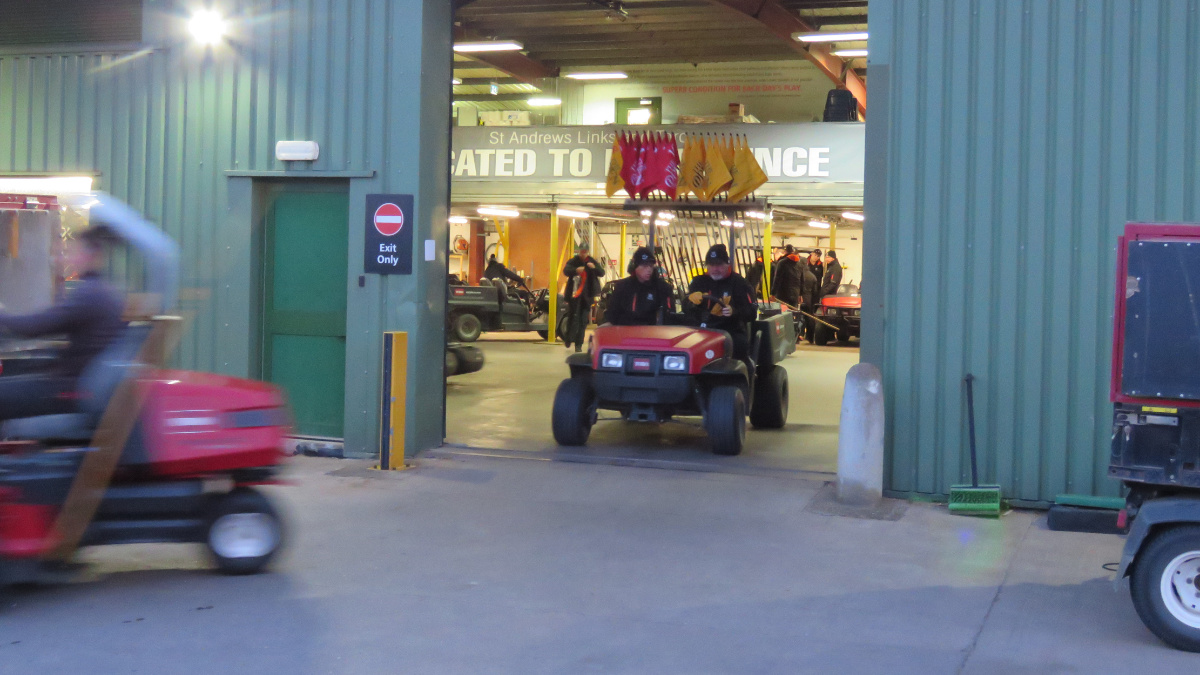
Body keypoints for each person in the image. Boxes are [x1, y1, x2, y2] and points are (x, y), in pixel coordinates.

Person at [0, 226, 126, 421]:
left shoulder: (90, 295)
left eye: (72, 251)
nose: (67, 258)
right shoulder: (101, 291)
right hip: (77, 383)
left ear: (90, 255)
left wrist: (4, 317)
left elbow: (36, 326)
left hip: (73, 391)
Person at [685, 244, 758, 364]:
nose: (715, 269)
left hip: (729, 330)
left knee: (738, 345)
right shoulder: (698, 282)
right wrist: (690, 303)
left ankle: (741, 373)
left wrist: (733, 311)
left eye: (719, 265)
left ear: (727, 264)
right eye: (711, 265)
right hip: (700, 330)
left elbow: (751, 312)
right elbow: (686, 308)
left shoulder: (739, 283)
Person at [605, 247, 674, 326]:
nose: (648, 269)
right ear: (635, 267)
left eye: (651, 266)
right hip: (624, 331)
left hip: (650, 332)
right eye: (644, 266)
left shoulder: (661, 287)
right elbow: (612, 314)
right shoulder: (623, 287)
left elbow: (669, 315)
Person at [562, 243, 605, 352]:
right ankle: (568, 338)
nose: (583, 253)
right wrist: (576, 270)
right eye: (582, 251)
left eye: (585, 251)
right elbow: (566, 270)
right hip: (574, 295)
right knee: (573, 318)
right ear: (579, 251)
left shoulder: (591, 261)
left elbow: (602, 273)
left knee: (582, 321)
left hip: (587, 296)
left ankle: (579, 344)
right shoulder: (573, 261)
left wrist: (594, 268)